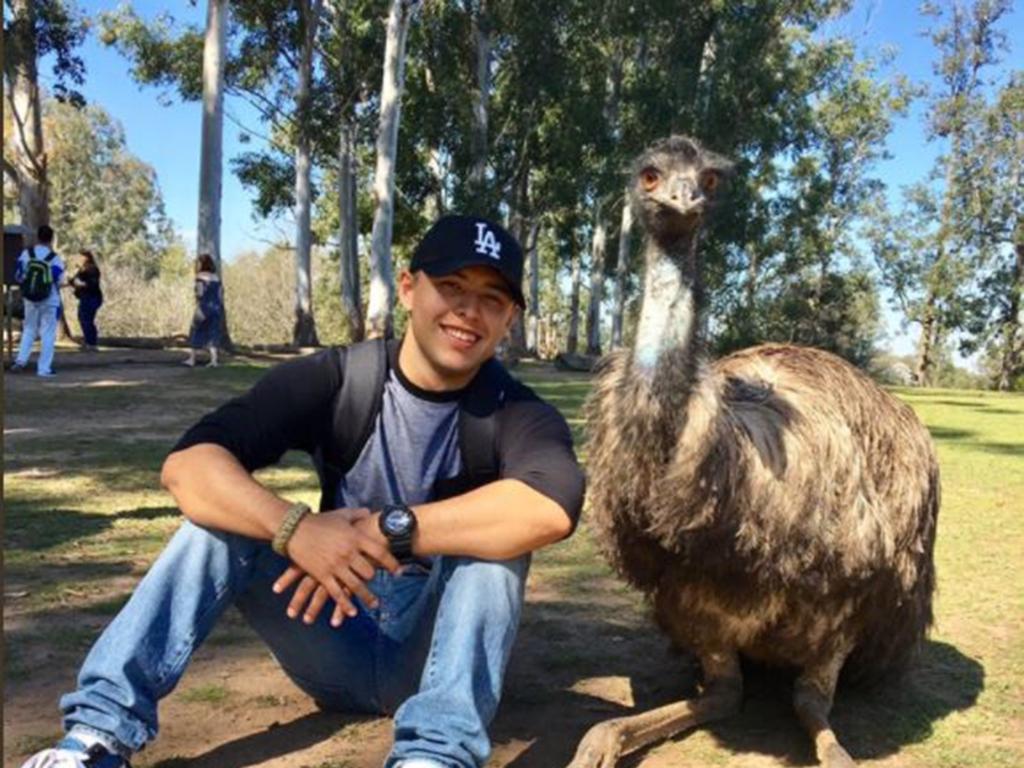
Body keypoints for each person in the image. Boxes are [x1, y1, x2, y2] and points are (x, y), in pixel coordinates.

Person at [21, 214, 586, 768]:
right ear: (411, 289)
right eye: (452, 286)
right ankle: (95, 737)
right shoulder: (341, 378)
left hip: (431, 651)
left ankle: (434, 756)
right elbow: (189, 467)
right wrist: (293, 528)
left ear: (509, 319)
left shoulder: (516, 410)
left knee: (497, 547)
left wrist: (388, 529)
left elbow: (550, 506)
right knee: (220, 521)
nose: (468, 310)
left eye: (492, 298)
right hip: (330, 632)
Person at [12, 224, 65, 377]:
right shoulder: (54, 258)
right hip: (49, 298)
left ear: (37, 237)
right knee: (48, 333)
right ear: (51, 239)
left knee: (29, 328)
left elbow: (18, 276)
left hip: (30, 297)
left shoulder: (26, 254)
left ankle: (21, 360)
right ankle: (44, 369)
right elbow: (59, 280)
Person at [183, 253, 223, 368]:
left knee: (197, 331)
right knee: (213, 332)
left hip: (203, 307)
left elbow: (200, 292)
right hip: (216, 308)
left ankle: (192, 359)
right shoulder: (216, 278)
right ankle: (214, 360)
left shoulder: (200, 277)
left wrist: (196, 296)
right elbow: (220, 295)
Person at [68, 250, 104, 351]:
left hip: (92, 297)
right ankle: (89, 341)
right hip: (85, 297)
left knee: (87, 320)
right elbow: (74, 281)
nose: (77, 259)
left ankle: (92, 343)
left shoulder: (92, 269)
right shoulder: (81, 270)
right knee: (83, 319)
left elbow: (92, 284)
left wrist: (80, 284)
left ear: (86, 257)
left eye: (80, 257)